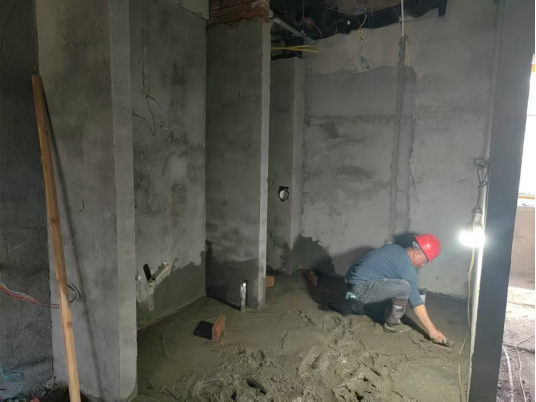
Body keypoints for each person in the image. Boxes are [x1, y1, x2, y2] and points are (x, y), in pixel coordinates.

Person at [345, 234, 449, 345]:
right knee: (404, 288)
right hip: (359, 290)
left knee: (394, 287)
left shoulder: (394, 248)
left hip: (350, 283)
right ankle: (392, 326)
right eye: (425, 261)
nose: (423, 265)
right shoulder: (407, 267)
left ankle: (355, 301)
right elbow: (416, 302)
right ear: (417, 253)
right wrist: (433, 330)